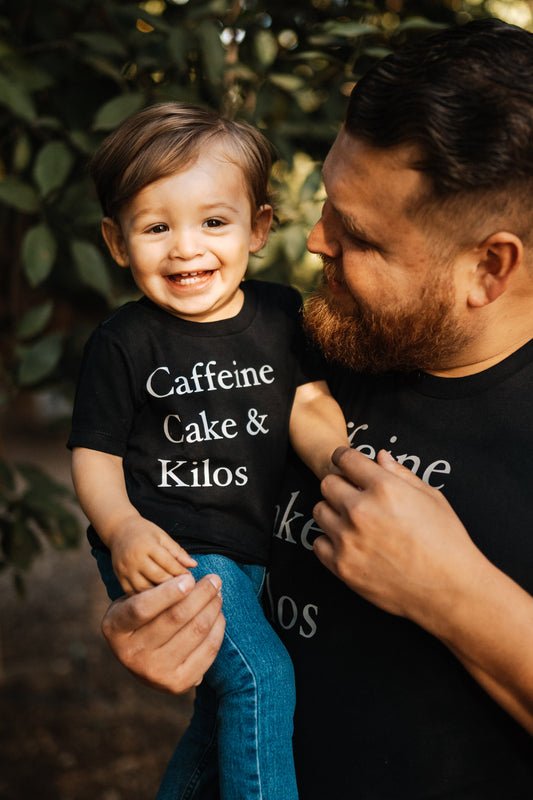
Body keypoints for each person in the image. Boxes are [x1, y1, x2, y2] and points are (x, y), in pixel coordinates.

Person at [97, 18, 533, 799]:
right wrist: (154, 619)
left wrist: (451, 589)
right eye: (327, 204)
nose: (314, 243)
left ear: (488, 266)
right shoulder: (301, 341)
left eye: (359, 235)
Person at [67, 102, 348, 800]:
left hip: (250, 546)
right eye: (157, 228)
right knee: (262, 678)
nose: (185, 248)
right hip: (169, 546)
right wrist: (121, 528)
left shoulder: (283, 315)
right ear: (115, 240)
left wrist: (343, 468)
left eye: (213, 222)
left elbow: (307, 406)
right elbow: (94, 455)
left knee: (224, 708)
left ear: (257, 227)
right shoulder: (124, 341)